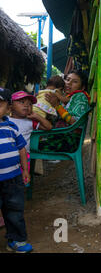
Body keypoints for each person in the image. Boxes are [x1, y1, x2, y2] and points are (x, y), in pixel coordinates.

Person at [0, 88, 33, 252]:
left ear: (7, 109)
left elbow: (22, 149)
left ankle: (16, 240)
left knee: (15, 210)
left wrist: (25, 170)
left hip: (13, 177)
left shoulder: (11, 127)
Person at [40, 70, 91, 152]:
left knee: (28, 144)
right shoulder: (65, 98)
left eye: (75, 82)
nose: (69, 83)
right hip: (60, 136)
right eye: (67, 79)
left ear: (82, 87)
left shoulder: (80, 96)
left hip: (69, 140)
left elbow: (74, 122)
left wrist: (57, 106)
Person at [9, 91, 53, 174]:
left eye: (30, 104)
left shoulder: (30, 122)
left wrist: (36, 116)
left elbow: (49, 127)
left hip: (24, 157)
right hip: (8, 154)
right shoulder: (5, 119)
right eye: (22, 102)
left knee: (23, 178)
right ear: (10, 106)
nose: (26, 105)